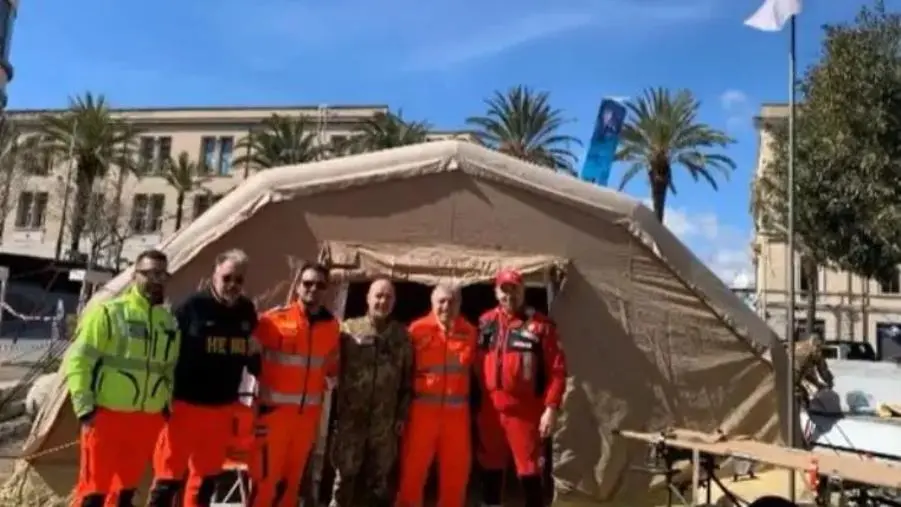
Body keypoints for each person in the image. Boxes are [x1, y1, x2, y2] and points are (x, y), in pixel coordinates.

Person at [64, 249, 180, 507]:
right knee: (93, 492)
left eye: (163, 274)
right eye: (151, 273)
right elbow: (79, 360)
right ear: (135, 275)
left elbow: (169, 369)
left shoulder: (168, 322)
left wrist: (165, 409)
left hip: (146, 421)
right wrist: (85, 409)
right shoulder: (110, 313)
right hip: (107, 418)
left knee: (124, 493)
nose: (158, 280)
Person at [148, 249, 260, 507]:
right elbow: (165, 355)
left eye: (239, 280)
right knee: (167, 480)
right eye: (227, 277)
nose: (232, 285)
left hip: (221, 409)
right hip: (184, 407)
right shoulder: (192, 307)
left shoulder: (246, 311)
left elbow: (254, 357)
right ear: (215, 274)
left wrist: (255, 355)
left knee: (205, 482)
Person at [250, 262, 341, 507]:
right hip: (273, 420)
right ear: (298, 286)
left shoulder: (331, 328)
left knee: (291, 487)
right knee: (264, 484)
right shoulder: (273, 320)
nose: (313, 289)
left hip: (306, 421)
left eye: (319, 285)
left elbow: (331, 369)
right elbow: (247, 356)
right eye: (307, 283)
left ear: (327, 289)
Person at [476, 268, 567, 507]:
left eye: (514, 289)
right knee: (490, 468)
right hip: (490, 411)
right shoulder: (485, 323)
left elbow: (558, 371)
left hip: (525, 413)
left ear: (523, 291)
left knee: (529, 472)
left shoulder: (541, 326)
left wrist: (551, 408)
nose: (509, 295)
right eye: (504, 290)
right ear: (496, 292)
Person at [330, 278, 413, 507]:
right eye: (378, 296)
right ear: (367, 298)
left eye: (388, 297)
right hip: (351, 421)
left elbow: (407, 382)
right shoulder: (348, 330)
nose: (382, 301)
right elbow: (331, 370)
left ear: (394, 302)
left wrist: (401, 415)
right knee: (344, 480)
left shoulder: (402, 337)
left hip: (383, 424)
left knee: (378, 483)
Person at [396, 284, 477, 507]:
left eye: (451, 301)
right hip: (422, 413)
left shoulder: (470, 332)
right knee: (412, 471)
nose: (446, 306)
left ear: (460, 304)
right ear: (432, 303)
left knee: (455, 474)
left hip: (457, 416)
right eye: (441, 301)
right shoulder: (416, 330)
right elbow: (402, 373)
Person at [794, 333, 834, 408]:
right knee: (798, 395)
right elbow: (795, 376)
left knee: (802, 395)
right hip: (784, 377)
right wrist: (828, 382)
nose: (820, 351)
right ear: (815, 345)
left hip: (779, 372)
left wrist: (817, 384)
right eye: (819, 348)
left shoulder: (802, 347)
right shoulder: (806, 354)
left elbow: (804, 373)